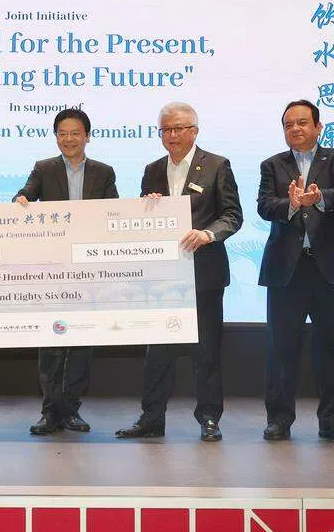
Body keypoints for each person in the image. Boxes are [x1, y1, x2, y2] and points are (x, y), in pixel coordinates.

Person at [116, 102, 242, 442]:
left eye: (178, 128)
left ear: (194, 131)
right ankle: (151, 419)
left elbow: (232, 215)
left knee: (207, 353)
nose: (171, 135)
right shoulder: (152, 169)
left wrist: (208, 234)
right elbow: (142, 220)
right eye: (166, 130)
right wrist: (147, 207)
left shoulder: (217, 165)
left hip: (204, 275)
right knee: (157, 353)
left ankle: (209, 419)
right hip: (162, 277)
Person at [257, 99, 334, 442]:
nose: (295, 129)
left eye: (302, 123)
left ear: (318, 127)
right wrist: (291, 204)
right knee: (281, 348)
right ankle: (279, 420)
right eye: (289, 125)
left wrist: (319, 198)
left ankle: (333, 421)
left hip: (328, 266)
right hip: (287, 269)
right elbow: (264, 206)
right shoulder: (272, 165)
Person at [14, 108, 119, 435]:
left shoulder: (104, 172)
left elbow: (114, 213)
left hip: (88, 271)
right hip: (54, 270)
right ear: (56, 137)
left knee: (81, 343)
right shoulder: (44, 168)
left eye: (75, 133)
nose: (69, 139)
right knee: (51, 343)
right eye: (62, 133)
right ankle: (50, 412)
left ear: (87, 136)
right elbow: (26, 193)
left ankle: (71, 410)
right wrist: (21, 200)